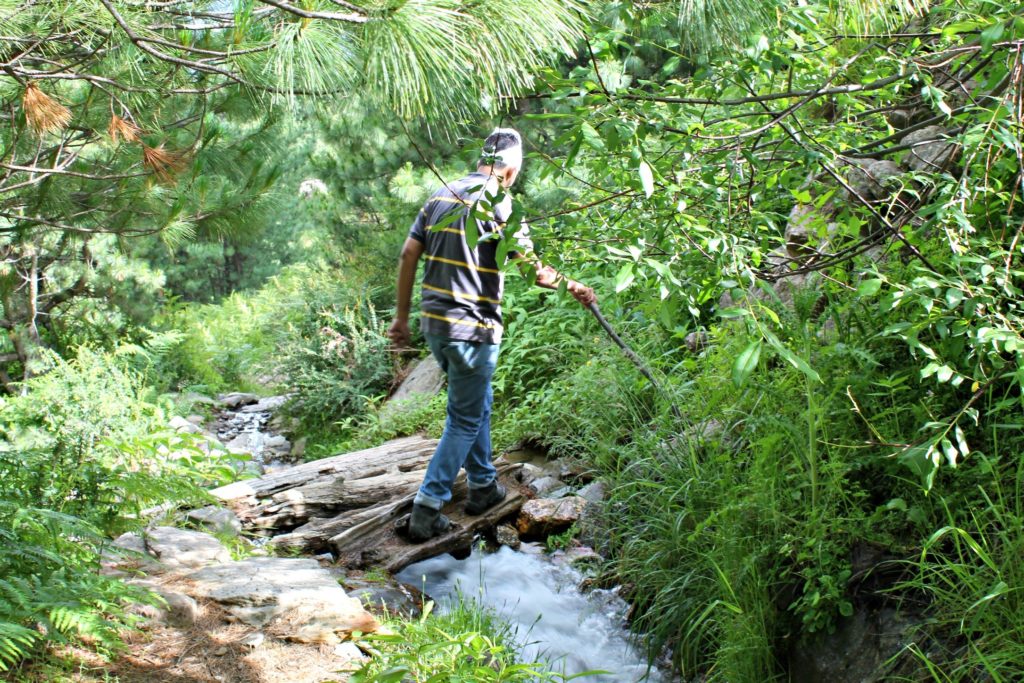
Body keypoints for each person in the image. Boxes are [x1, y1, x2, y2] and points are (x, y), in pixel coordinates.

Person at [387, 128, 597, 542]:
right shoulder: (499, 201)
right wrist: (574, 286)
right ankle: (427, 506)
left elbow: (409, 253)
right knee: (464, 418)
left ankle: (483, 486)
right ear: (512, 169)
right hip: (474, 328)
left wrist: (401, 317)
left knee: (475, 404)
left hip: (436, 325)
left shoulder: (441, 195)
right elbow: (533, 271)